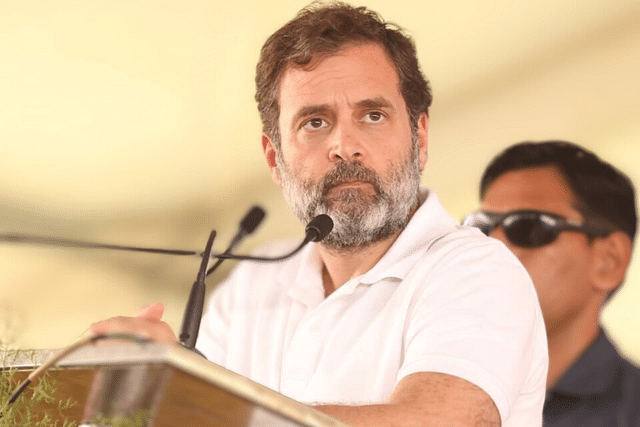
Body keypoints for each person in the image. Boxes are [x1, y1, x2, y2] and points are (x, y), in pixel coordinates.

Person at [92, 3, 548, 426]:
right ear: (274, 158)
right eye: (315, 122)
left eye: (372, 115)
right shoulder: (250, 286)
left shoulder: (476, 271)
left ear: (420, 137)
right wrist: (149, 386)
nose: (344, 146)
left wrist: (199, 404)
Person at [463, 140, 640, 426]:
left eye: (526, 226)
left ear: (610, 261)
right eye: (481, 228)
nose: (491, 246)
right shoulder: (421, 387)